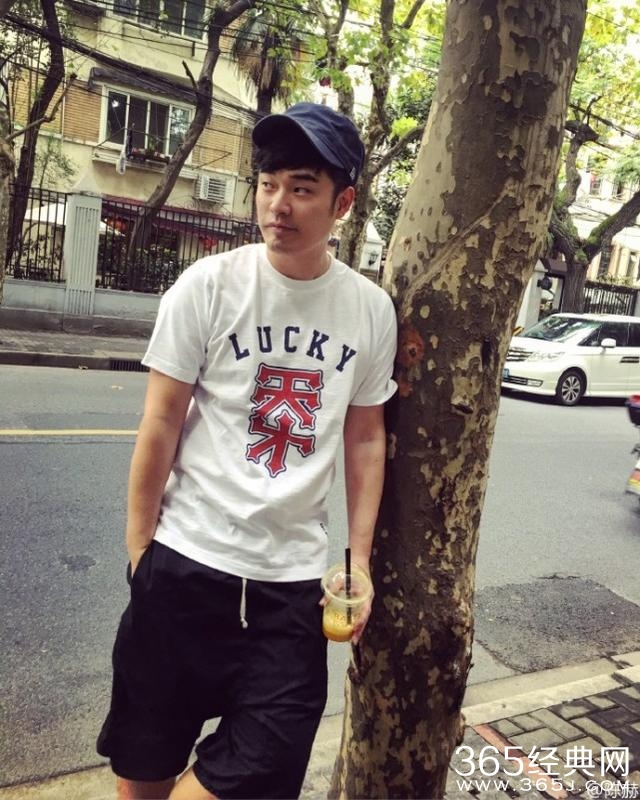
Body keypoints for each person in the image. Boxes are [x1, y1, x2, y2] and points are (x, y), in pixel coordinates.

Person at [97, 102, 398, 800]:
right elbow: (160, 421)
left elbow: (365, 438)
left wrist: (358, 561)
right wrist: (142, 553)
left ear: (343, 203)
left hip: (290, 593)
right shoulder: (208, 286)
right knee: (145, 769)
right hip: (184, 568)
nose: (278, 204)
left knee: (257, 771)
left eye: (302, 187)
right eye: (268, 184)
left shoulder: (368, 309)